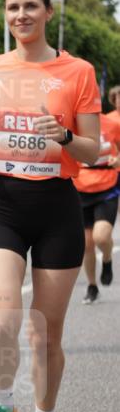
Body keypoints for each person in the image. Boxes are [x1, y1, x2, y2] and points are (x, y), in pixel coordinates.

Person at [0, 0, 100, 412]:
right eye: (12, 7)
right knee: (1, 318)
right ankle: (3, 407)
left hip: (56, 208)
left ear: (47, 12)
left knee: (45, 333)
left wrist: (64, 135)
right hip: (2, 203)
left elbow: (93, 150)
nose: (20, 15)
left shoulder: (78, 72)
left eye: (30, 6)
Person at [73, 107, 120, 302]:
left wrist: (117, 160)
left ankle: (107, 259)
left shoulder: (112, 123)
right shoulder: (72, 124)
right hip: (80, 187)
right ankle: (92, 286)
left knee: (101, 237)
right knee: (87, 244)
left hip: (107, 186)